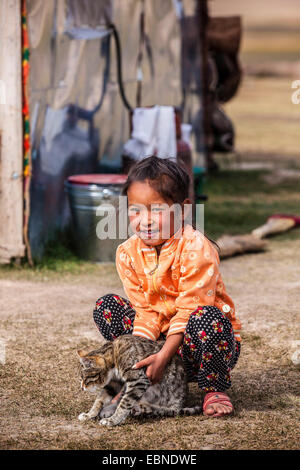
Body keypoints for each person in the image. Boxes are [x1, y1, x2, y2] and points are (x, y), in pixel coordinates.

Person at [93, 156, 241, 418]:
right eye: (135, 210)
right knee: (108, 307)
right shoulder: (128, 253)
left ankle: (214, 387)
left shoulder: (195, 247)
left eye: (157, 210)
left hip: (198, 348)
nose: (144, 220)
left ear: (182, 210)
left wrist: (163, 357)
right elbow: (145, 311)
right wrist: (142, 357)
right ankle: (139, 377)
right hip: (158, 342)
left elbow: (190, 308)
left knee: (207, 317)